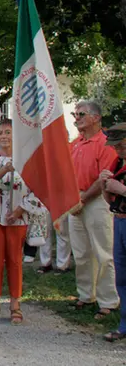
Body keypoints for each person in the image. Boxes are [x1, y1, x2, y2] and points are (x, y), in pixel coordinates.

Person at [0, 119, 48, 325]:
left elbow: (37, 186)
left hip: (17, 214)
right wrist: (4, 169)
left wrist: (20, 210)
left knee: (15, 259)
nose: (4, 136)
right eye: (0, 132)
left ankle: (15, 304)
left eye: (8, 132)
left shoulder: (26, 157)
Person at [69, 100, 119, 319]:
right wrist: (73, 199)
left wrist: (84, 199)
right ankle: (85, 294)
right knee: (81, 252)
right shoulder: (75, 143)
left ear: (96, 118)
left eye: (81, 114)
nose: (76, 118)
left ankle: (108, 300)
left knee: (103, 252)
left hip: (98, 201)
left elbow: (104, 178)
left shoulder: (105, 144)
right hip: (76, 199)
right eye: (75, 114)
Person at [100, 123, 126, 342]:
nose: (117, 150)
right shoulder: (118, 163)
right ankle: (124, 325)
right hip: (119, 221)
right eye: (115, 146)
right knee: (122, 277)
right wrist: (104, 186)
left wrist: (123, 189)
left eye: (121, 145)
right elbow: (111, 201)